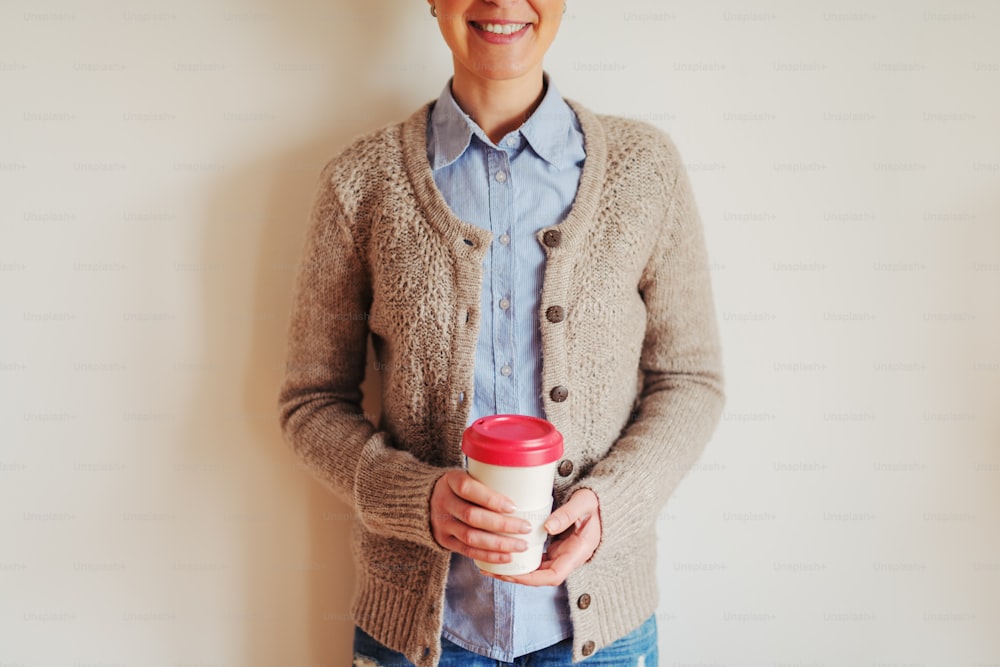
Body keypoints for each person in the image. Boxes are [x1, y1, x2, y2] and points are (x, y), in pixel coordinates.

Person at [277, 0, 725, 665]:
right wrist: (414, 498)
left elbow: (690, 380)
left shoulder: (645, 171)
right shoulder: (360, 184)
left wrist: (613, 503)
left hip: (600, 636)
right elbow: (311, 402)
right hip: (417, 635)